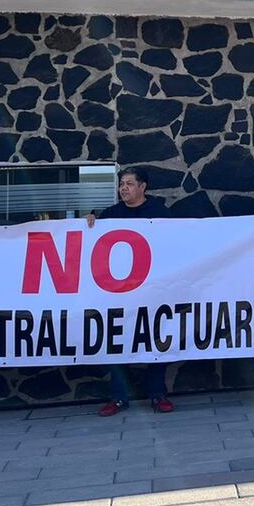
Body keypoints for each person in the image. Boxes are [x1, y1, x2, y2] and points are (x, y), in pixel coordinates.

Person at [86, 167, 175, 416]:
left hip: (151, 291)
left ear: (142, 186)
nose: (123, 188)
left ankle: (158, 395)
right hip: (117, 293)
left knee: (156, 342)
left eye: (129, 184)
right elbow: (91, 243)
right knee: (116, 343)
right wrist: (86, 224)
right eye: (121, 184)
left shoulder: (160, 213)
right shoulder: (111, 214)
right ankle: (118, 397)